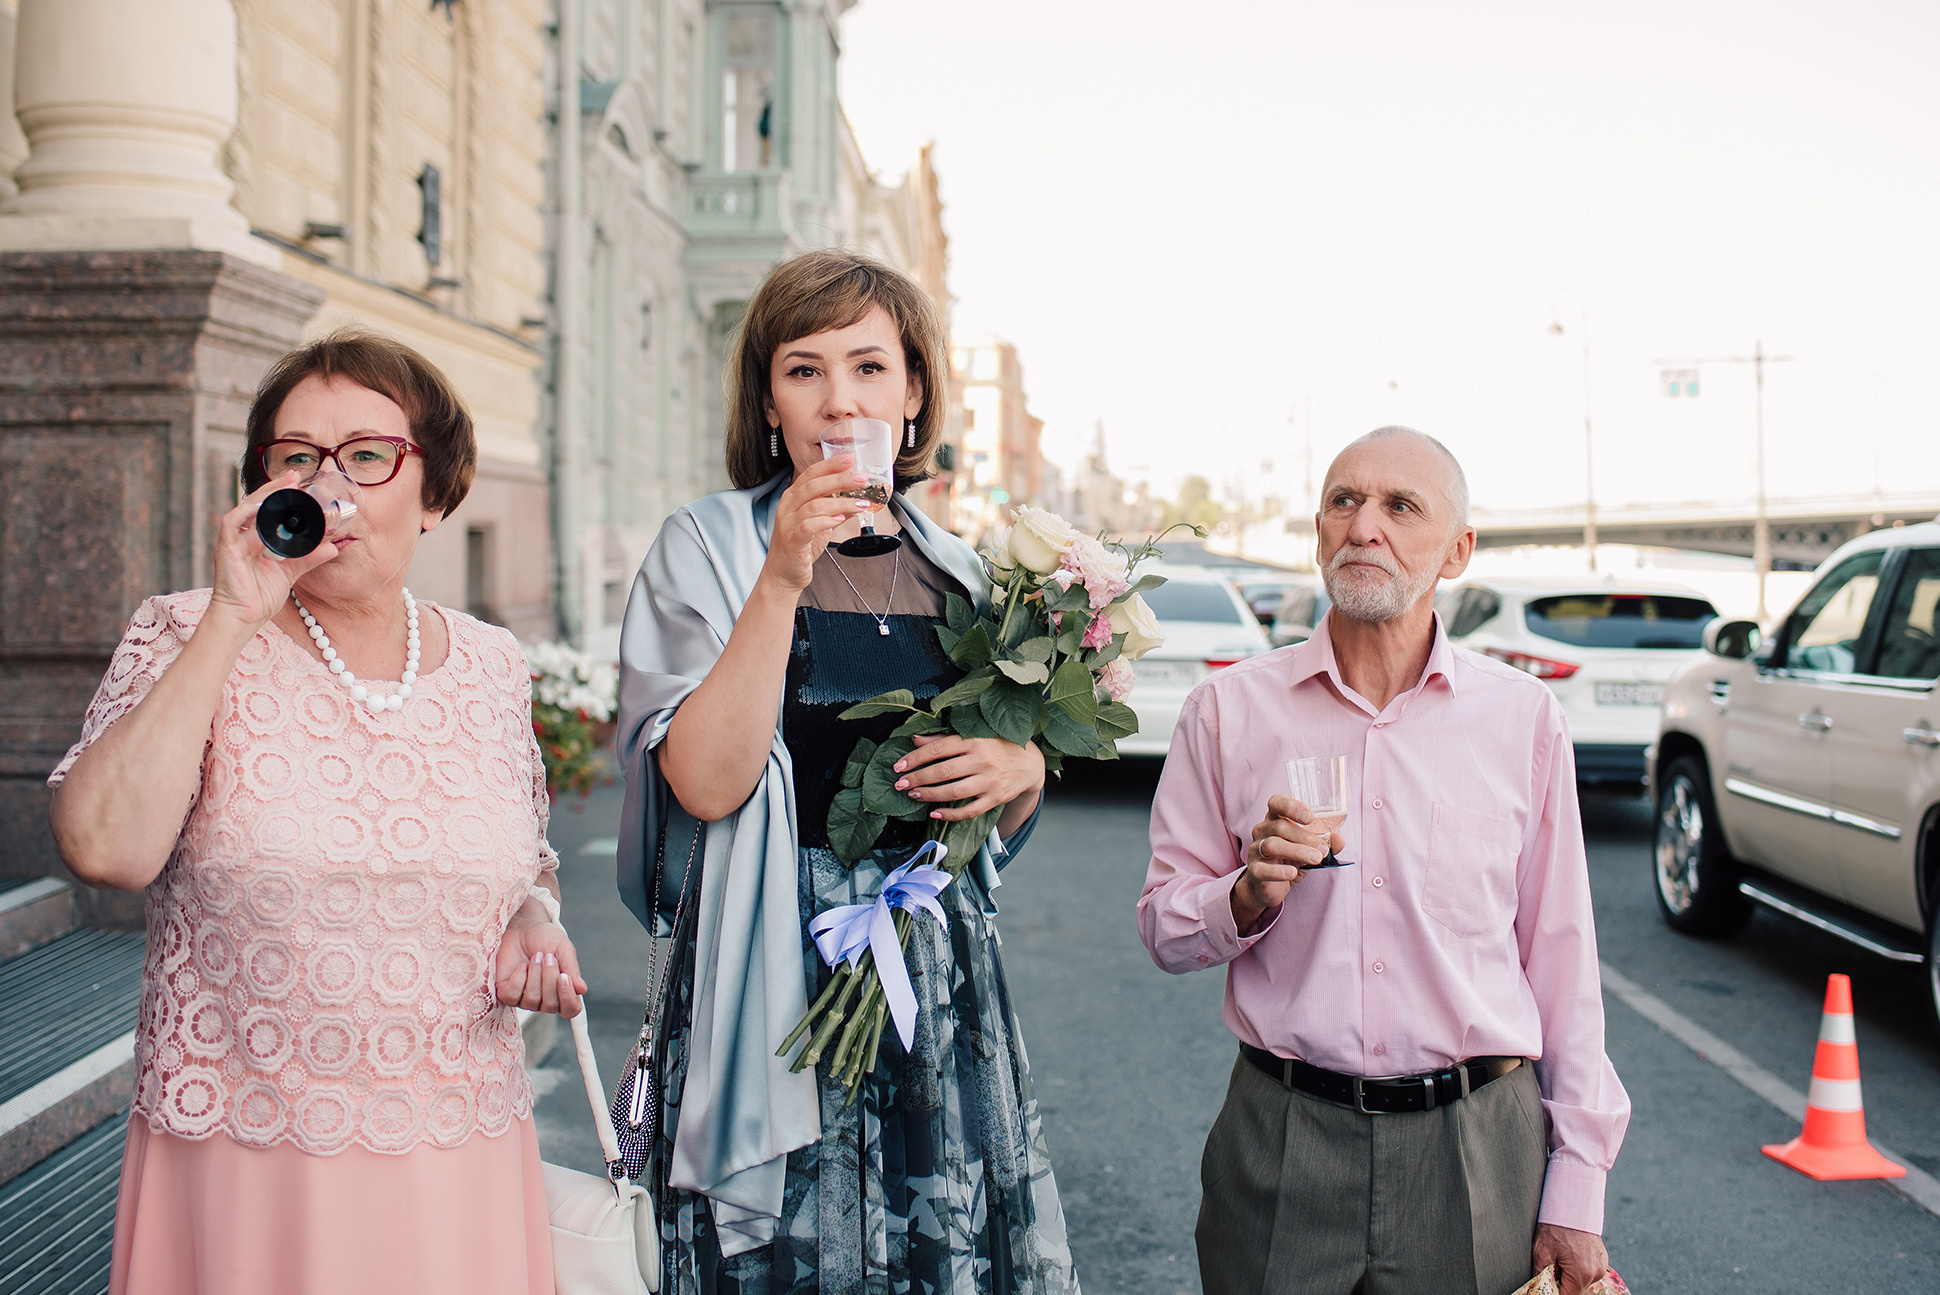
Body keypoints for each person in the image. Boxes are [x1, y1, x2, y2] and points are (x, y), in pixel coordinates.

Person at [48, 331, 583, 1295]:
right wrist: (233, 615)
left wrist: (533, 919)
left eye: (367, 456)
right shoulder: (182, 630)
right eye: (297, 457)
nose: (326, 483)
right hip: (248, 1155)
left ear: (436, 493)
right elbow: (103, 848)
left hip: (454, 1151)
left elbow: (524, 853)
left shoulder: (492, 664)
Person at [615, 249, 1079, 1295]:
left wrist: (1019, 766)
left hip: (931, 965)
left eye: (869, 368)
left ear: (912, 395)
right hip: (767, 957)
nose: (839, 401)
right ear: (766, 398)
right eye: (803, 369)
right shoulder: (707, 546)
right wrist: (781, 576)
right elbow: (704, 782)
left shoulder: (960, 570)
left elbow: (989, 822)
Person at [1138, 427, 1630, 1295]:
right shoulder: (1227, 711)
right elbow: (1167, 929)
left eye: (1401, 506)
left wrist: (1578, 1185)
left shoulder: (1521, 719)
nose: (1365, 526)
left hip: (1479, 1148)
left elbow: (1563, 961)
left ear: (1457, 550)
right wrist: (1247, 894)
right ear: (1319, 529)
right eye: (1344, 501)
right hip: (1282, 1138)